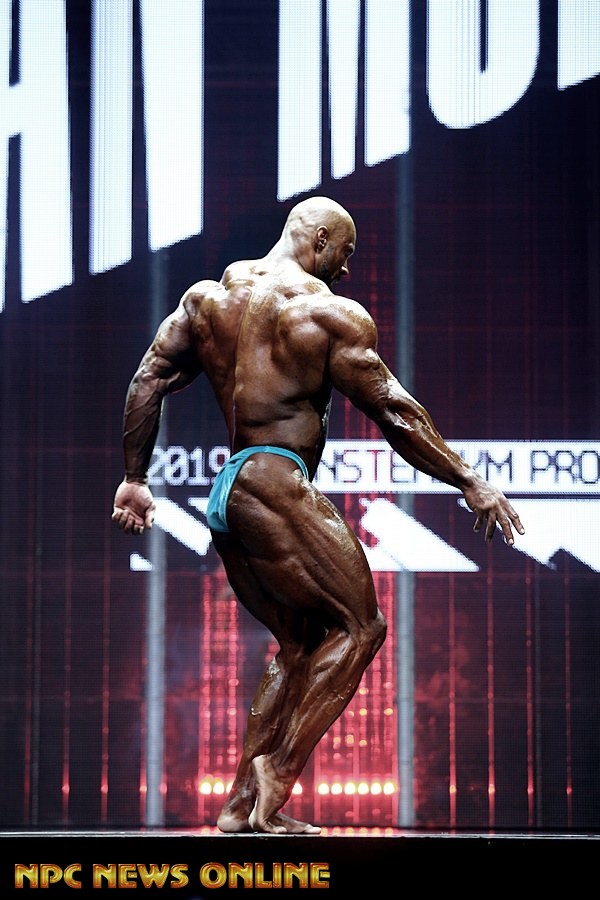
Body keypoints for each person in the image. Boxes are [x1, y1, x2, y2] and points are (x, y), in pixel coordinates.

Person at [112, 196, 524, 835]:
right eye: (346, 253)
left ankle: (241, 807)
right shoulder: (327, 313)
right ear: (321, 239)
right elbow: (394, 411)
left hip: (229, 491)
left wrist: (135, 479)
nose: (348, 269)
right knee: (362, 627)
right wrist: (469, 480)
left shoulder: (207, 300)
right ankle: (278, 771)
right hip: (274, 480)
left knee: (302, 644)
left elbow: (149, 378)